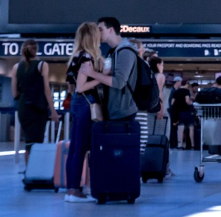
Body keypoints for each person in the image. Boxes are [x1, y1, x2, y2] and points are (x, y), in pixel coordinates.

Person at [65, 23, 104, 202]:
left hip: (76, 103)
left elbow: (74, 86)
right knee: (80, 148)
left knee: (74, 148)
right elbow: (81, 86)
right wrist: (101, 78)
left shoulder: (75, 56)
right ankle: (75, 190)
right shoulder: (87, 57)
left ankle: (71, 188)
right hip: (86, 104)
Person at [81, 17, 139, 123]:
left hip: (122, 113)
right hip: (114, 111)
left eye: (101, 29)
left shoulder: (125, 52)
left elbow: (119, 82)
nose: (98, 33)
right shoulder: (113, 52)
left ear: (111, 30)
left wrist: (92, 74)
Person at [12, 40, 60, 164]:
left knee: (28, 141)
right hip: (38, 108)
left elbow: (14, 93)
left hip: (24, 108)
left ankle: (29, 172)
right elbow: (46, 90)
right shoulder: (42, 65)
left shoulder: (16, 67)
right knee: (36, 141)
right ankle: (34, 172)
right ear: (36, 50)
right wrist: (53, 111)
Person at [169, 77, 195, 150]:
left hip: (179, 113)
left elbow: (172, 103)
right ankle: (192, 145)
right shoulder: (186, 91)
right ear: (186, 84)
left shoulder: (176, 92)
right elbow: (187, 101)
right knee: (191, 128)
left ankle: (180, 145)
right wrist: (192, 103)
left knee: (180, 128)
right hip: (187, 112)